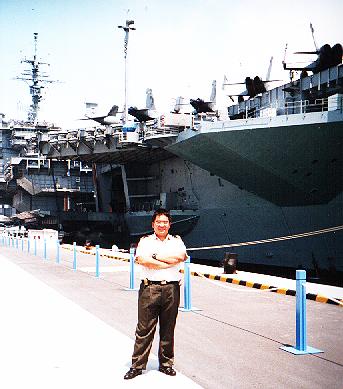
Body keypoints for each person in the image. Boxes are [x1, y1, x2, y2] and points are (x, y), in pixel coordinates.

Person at [124, 208, 187, 380]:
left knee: (168, 329)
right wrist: (167, 262)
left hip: (171, 290)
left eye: (165, 222)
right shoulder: (144, 241)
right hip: (149, 288)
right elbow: (143, 260)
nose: (161, 225)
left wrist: (156, 257)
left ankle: (166, 364)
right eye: (158, 222)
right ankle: (137, 365)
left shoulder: (177, 241)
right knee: (144, 329)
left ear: (169, 224)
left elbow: (182, 256)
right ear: (153, 224)